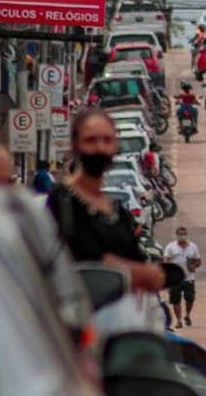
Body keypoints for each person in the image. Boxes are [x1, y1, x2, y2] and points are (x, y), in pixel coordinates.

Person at [47, 108, 165, 292]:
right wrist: (148, 274)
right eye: (91, 140)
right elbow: (90, 261)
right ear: (76, 145)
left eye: (107, 140)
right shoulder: (63, 201)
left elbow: (136, 259)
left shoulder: (117, 212)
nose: (100, 148)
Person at [163, 226, 201, 328]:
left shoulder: (193, 247)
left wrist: (194, 265)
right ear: (177, 235)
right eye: (180, 234)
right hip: (175, 279)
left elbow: (198, 260)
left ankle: (187, 315)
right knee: (176, 300)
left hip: (189, 278)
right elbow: (166, 260)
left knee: (190, 298)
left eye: (184, 234)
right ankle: (179, 320)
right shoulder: (171, 247)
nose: (182, 237)